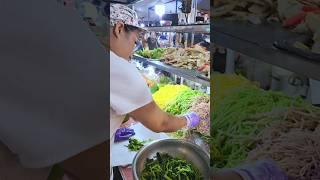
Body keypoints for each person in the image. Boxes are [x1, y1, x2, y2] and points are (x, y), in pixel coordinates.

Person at [109, 3, 202, 179]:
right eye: (134, 42)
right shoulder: (117, 66)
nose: (131, 52)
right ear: (119, 28)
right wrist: (188, 120)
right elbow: (162, 123)